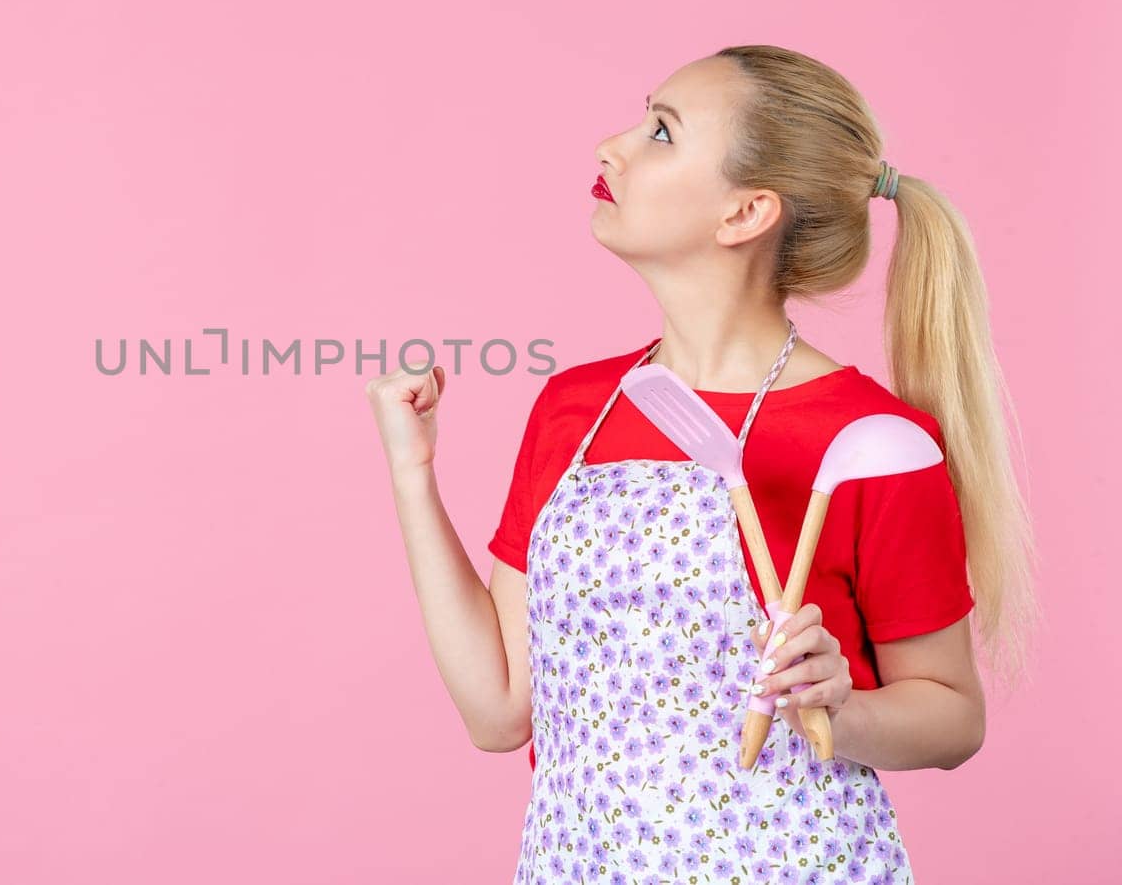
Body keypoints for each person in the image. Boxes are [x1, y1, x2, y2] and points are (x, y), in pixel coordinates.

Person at [364, 44, 1037, 884]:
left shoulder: (868, 440)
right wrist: (412, 472)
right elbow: (499, 712)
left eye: (660, 132)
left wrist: (841, 707)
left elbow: (952, 717)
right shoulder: (576, 411)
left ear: (745, 212)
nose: (613, 146)